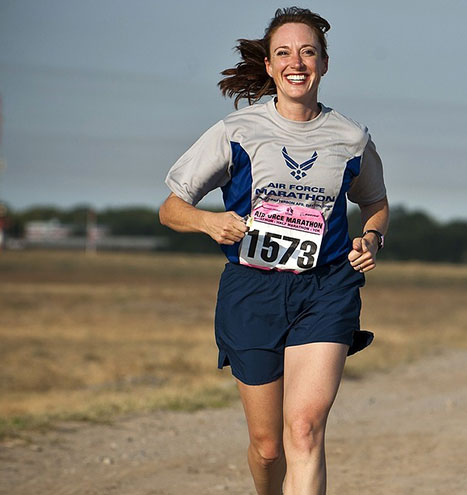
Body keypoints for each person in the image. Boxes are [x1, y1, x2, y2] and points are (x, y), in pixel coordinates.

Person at [158, 8, 388, 494]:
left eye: (308, 51)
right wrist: (209, 222)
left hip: (326, 289)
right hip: (252, 290)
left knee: (304, 429)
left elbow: (375, 203)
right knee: (267, 447)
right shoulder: (236, 131)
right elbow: (171, 209)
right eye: (284, 52)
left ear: (324, 64)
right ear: (268, 65)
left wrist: (371, 238)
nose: (296, 61)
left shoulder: (350, 137)